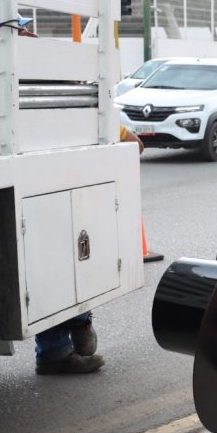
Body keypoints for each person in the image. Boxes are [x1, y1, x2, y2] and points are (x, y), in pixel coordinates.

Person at [34, 127, 145, 375]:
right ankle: (64, 340)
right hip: (65, 202)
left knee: (68, 264)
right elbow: (136, 145)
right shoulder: (89, 117)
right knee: (67, 266)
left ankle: (74, 327)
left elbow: (135, 145)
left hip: (59, 200)